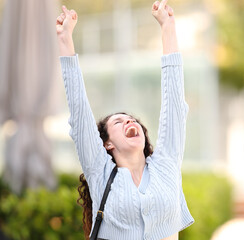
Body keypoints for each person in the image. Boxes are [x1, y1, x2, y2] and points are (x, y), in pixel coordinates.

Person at [56, 1, 194, 239]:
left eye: (132, 120)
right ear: (107, 143)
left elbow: (174, 105)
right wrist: (65, 38)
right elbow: (79, 112)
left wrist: (168, 27)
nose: (130, 122)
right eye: (118, 123)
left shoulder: (166, 164)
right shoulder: (99, 171)